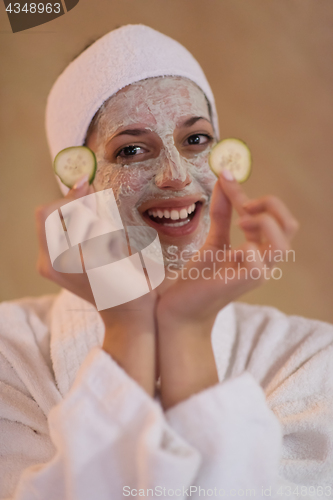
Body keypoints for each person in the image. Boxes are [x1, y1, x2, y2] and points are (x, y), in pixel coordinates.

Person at [0, 24, 332, 500]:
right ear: (76, 185)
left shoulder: (311, 360)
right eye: (131, 149)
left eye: (196, 140)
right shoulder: (9, 353)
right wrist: (128, 328)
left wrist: (187, 330)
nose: (176, 177)